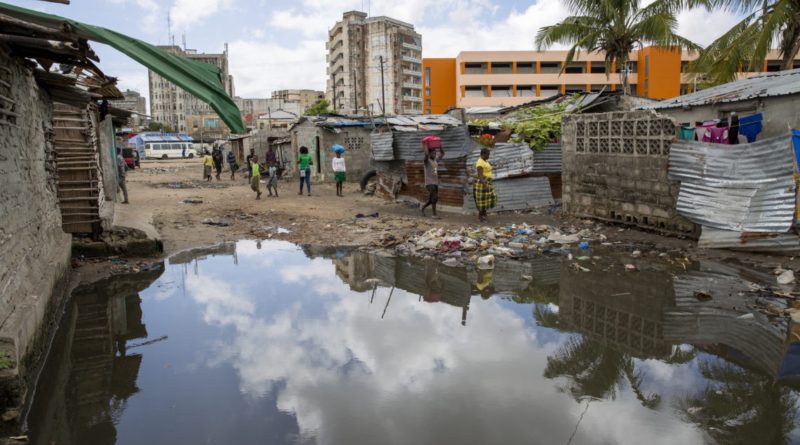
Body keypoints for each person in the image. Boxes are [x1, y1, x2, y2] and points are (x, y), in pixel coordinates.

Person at [421, 138, 443, 217]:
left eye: (435, 153)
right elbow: (426, 154)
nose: (435, 154)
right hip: (429, 183)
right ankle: (434, 215)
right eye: (433, 153)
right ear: (430, 154)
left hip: (435, 182)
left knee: (432, 199)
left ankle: (423, 208)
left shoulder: (435, 161)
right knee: (435, 198)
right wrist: (426, 145)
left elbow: (442, 154)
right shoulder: (426, 161)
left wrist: (440, 146)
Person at [473, 148, 496, 223]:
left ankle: (484, 214)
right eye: (488, 155)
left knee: (487, 200)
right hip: (482, 183)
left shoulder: (484, 161)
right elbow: (480, 175)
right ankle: (480, 217)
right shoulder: (480, 163)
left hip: (487, 182)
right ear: (483, 154)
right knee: (482, 202)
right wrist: (484, 185)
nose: (488, 156)